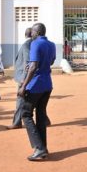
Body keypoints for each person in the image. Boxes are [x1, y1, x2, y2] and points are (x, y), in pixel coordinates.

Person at [18, 23, 56, 161]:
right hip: (47, 85)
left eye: (32, 31)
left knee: (26, 114)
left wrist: (24, 86)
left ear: (37, 32)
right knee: (40, 115)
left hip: (35, 85)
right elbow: (51, 62)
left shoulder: (35, 44)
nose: (30, 33)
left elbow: (33, 66)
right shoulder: (51, 44)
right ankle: (43, 147)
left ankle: (39, 148)